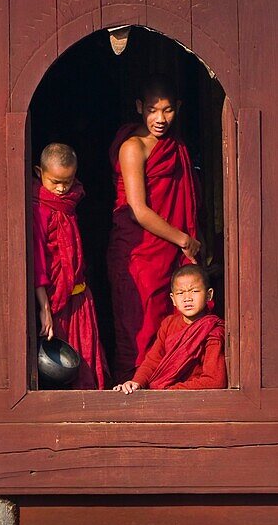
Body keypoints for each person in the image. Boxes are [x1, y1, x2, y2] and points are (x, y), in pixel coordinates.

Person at [106, 76, 200, 382]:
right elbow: (138, 209)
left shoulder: (176, 146)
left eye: (168, 110)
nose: (160, 119)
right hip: (140, 253)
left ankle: (165, 387)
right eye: (152, 110)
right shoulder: (133, 147)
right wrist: (184, 239)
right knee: (139, 327)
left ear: (178, 108)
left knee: (169, 325)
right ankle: (131, 391)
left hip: (168, 251)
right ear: (139, 108)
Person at [33, 143, 109, 389]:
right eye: (55, 181)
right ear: (38, 172)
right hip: (54, 299)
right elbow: (39, 262)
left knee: (85, 357)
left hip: (78, 295)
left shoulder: (71, 203)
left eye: (68, 181)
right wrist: (44, 306)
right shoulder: (39, 208)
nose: (61, 188)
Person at [113, 264, 226, 393]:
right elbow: (152, 361)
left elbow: (215, 380)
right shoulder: (168, 324)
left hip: (195, 398)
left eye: (194, 291)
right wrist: (136, 382)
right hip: (164, 395)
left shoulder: (212, 330)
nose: (187, 298)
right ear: (173, 299)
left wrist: (170, 390)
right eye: (180, 293)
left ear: (209, 295)